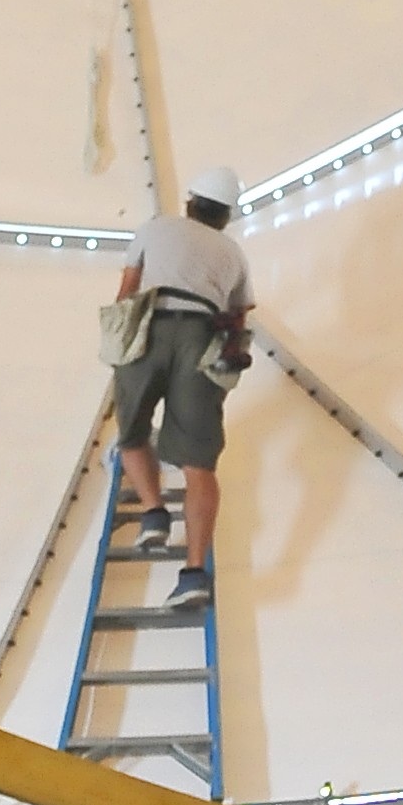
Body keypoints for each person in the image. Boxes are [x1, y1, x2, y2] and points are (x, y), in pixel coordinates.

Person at [108, 168, 251, 614]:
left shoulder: (155, 228)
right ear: (226, 215)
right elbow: (239, 317)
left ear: (190, 202)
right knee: (199, 465)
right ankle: (192, 575)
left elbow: (127, 291)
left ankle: (153, 513)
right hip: (203, 338)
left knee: (130, 432)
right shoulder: (234, 254)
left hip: (151, 326)